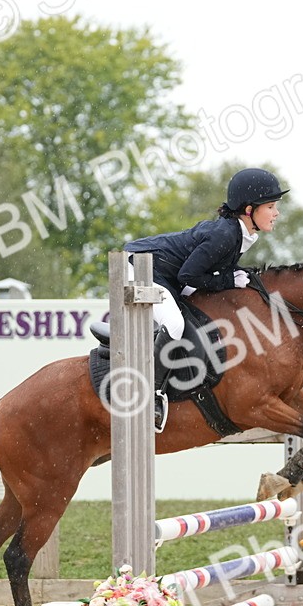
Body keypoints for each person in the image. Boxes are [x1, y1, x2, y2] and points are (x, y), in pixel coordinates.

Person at [123, 167, 287, 430]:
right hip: (141, 267)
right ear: (249, 210)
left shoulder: (240, 234)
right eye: (270, 206)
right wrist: (229, 280)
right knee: (175, 325)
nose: (276, 212)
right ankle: (150, 395)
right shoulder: (224, 234)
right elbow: (189, 275)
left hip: (167, 273)